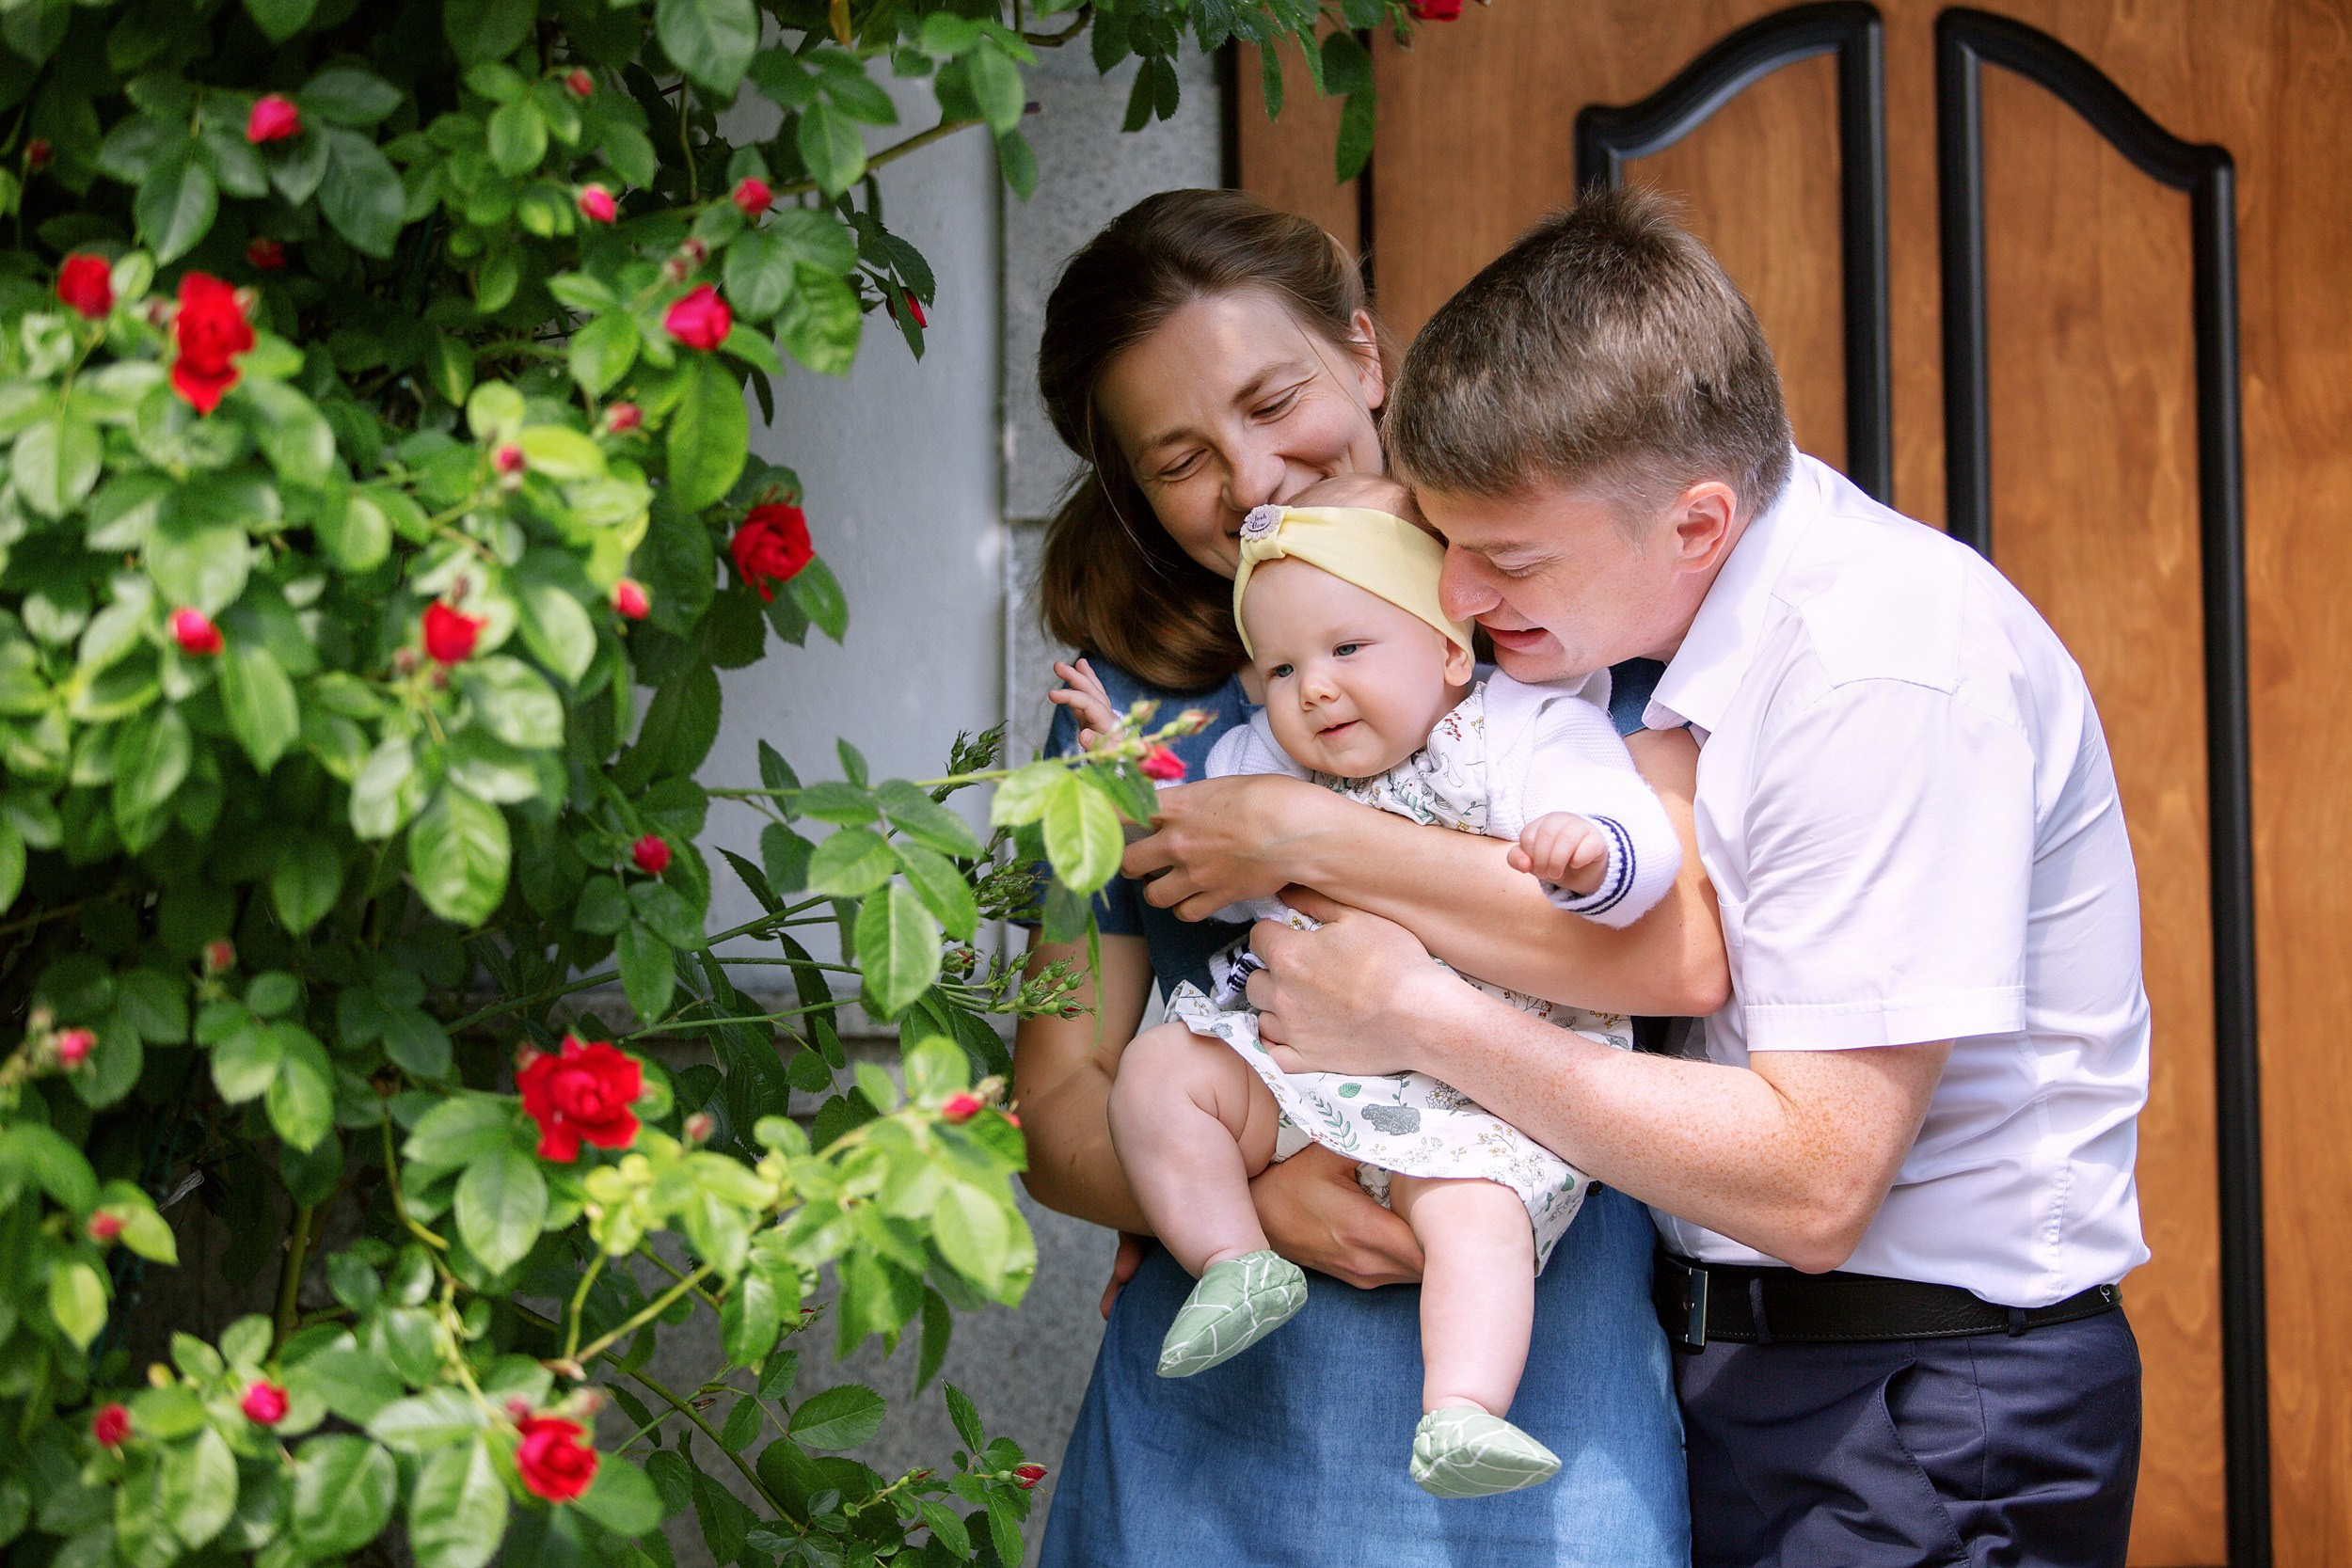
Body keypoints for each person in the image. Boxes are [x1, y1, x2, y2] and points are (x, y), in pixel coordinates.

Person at [1224, 187, 2150, 1565]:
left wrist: (1416, 1017)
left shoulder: (1875, 668)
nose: (1461, 597)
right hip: (1754, 1381)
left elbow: (1815, 1181)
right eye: (1445, 544)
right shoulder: (1648, 645)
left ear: (1699, 522)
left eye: (1506, 555)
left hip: (1922, 1405)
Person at [1017, 189, 1719, 1565]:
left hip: (1549, 1402)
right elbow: (1052, 1105)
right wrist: (1254, 1202)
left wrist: (1300, 835)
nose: (1253, 475)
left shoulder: (1556, 628)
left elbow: (1672, 953)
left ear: (1363, 354)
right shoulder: (1113, 715)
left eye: (1276, 398)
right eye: (1181, 458)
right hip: (1215, 1425)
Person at [1066, 475, 1682, 1498]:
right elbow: (1193, 874)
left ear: (1449, 646)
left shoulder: (1523, 728)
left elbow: (1642, 845)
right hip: (1296, 1055)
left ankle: (1461, 1410)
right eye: (1279, 667)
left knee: (1478, 1216)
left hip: (1473, 1078)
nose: (1309, 688)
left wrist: (1595, 844)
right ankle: (1232, 1260)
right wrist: (1129, 781)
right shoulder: (1260, 758)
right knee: (1160, 1071)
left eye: (1347, 648)